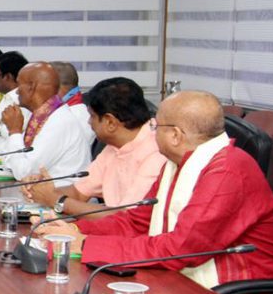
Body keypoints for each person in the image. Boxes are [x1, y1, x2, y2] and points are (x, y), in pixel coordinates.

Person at [35, 91, 273, 288]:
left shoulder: (227, 171)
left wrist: (85, 245)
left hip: (235, 292)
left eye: (155, 126)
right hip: (182, 279)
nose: (151, 132)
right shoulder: (177, 164)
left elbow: (180, 249)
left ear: (175, 135)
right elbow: (137, 223)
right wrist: (75, 230)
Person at [23, 78, 166, 218]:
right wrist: (39, 191)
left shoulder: (157, 151)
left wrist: (56, 200)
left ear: (110, 122)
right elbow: (78, 192)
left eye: (92, 116)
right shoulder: (114, 146)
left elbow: (124, 217)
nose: (88, 122)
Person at [0, 62, 94, 185]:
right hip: (40, 192)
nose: (16, 92)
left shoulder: (59, 121)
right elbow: (8, 162)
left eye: (19, 84)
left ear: (31, 87)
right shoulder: (42, 116)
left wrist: (14, 131)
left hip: (62, 195)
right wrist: (14, 134)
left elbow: (24, 173)